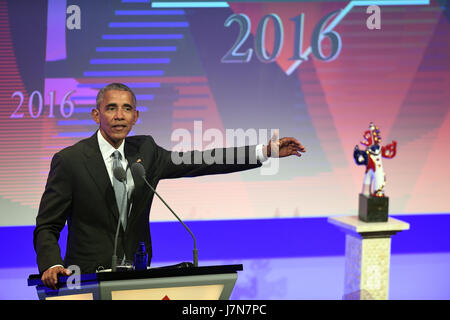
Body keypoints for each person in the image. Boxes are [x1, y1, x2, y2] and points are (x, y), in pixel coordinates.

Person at [34, 83, 306, 289]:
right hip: (86, 280)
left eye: (127, 108)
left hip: (137, 277)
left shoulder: (148, 152)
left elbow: (203, 160)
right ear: (96, 114)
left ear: (136, 116)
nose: (119, 115)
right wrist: (51, 263)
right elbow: (48, 224)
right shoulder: (70, 160)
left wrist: (264, 151)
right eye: (111, 108)